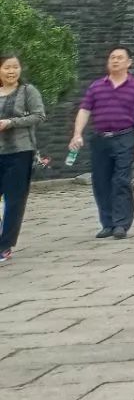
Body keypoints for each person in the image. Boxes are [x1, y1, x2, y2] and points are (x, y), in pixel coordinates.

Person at [69, 45, 134, 240]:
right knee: (101, 181)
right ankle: (107, 223)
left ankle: (121, 223)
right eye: (112, 57)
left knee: (121, 179)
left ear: (129, 62)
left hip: (125, 137)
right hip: (100, 139)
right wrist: (77, 134)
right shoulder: (96, 86)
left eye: (119, 57)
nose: (115, 60)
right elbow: (84, 110)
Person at [0, 53, 46, 264]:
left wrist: (11, 123)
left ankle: (5, 245)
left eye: (15, 67)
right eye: (7, 67)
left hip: (20, 152)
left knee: (14, 201)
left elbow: (39, 115)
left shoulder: (27, 91)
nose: (11, 71)